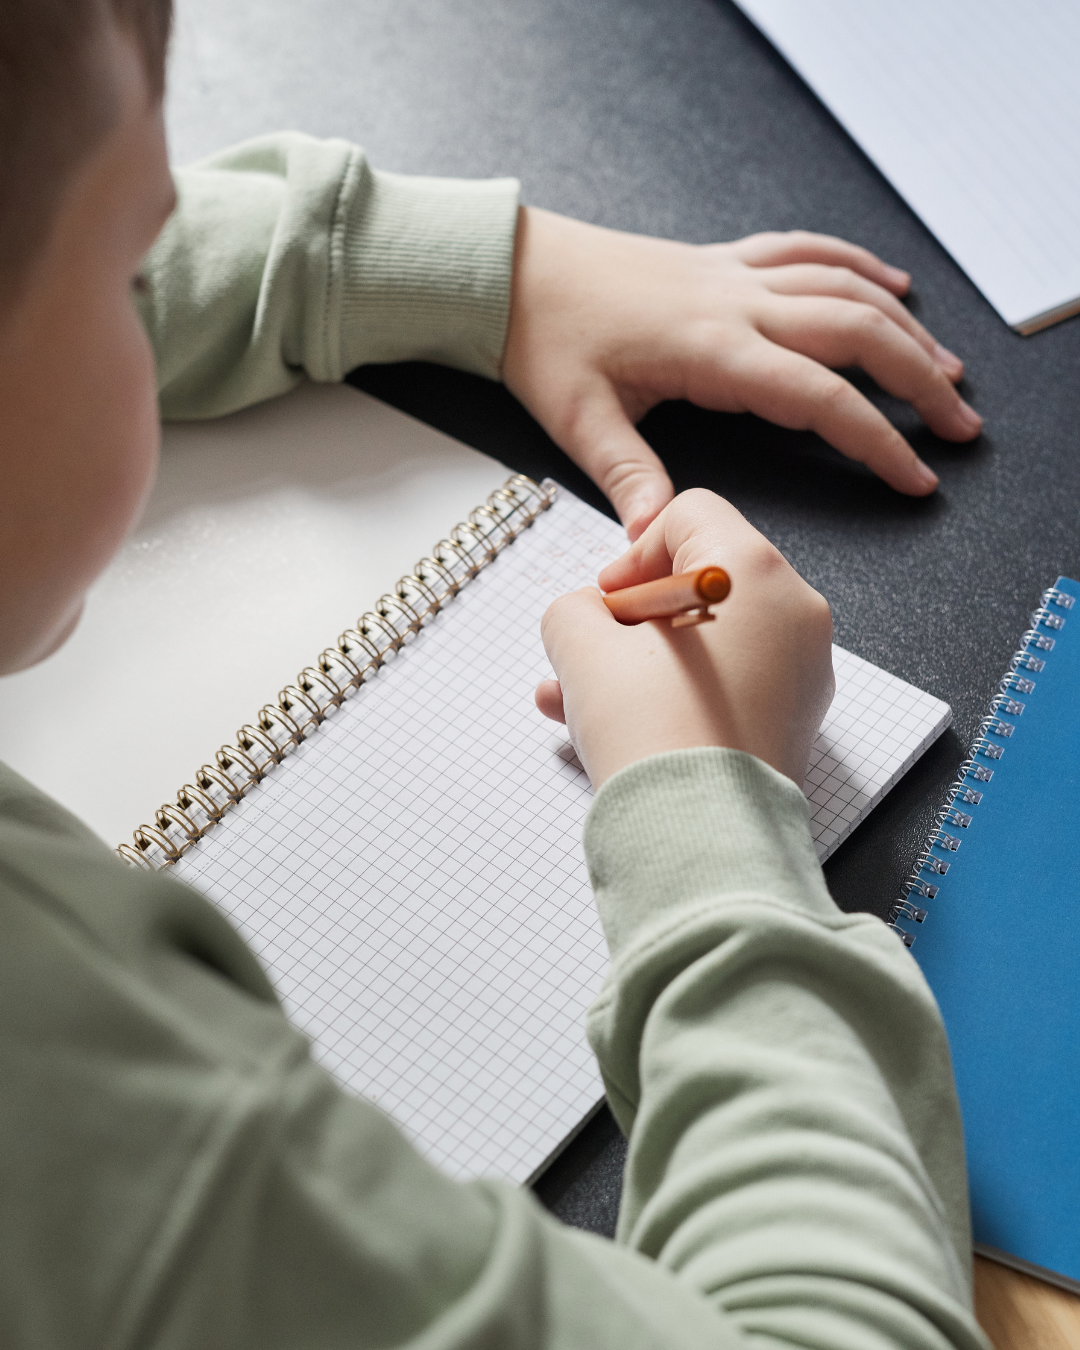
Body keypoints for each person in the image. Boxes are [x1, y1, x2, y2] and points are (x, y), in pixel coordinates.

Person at [0, 2, 990, 1347]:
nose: (152, 271)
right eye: (129, 271)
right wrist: (710, 815)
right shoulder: (77, 1090)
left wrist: (494, 269)